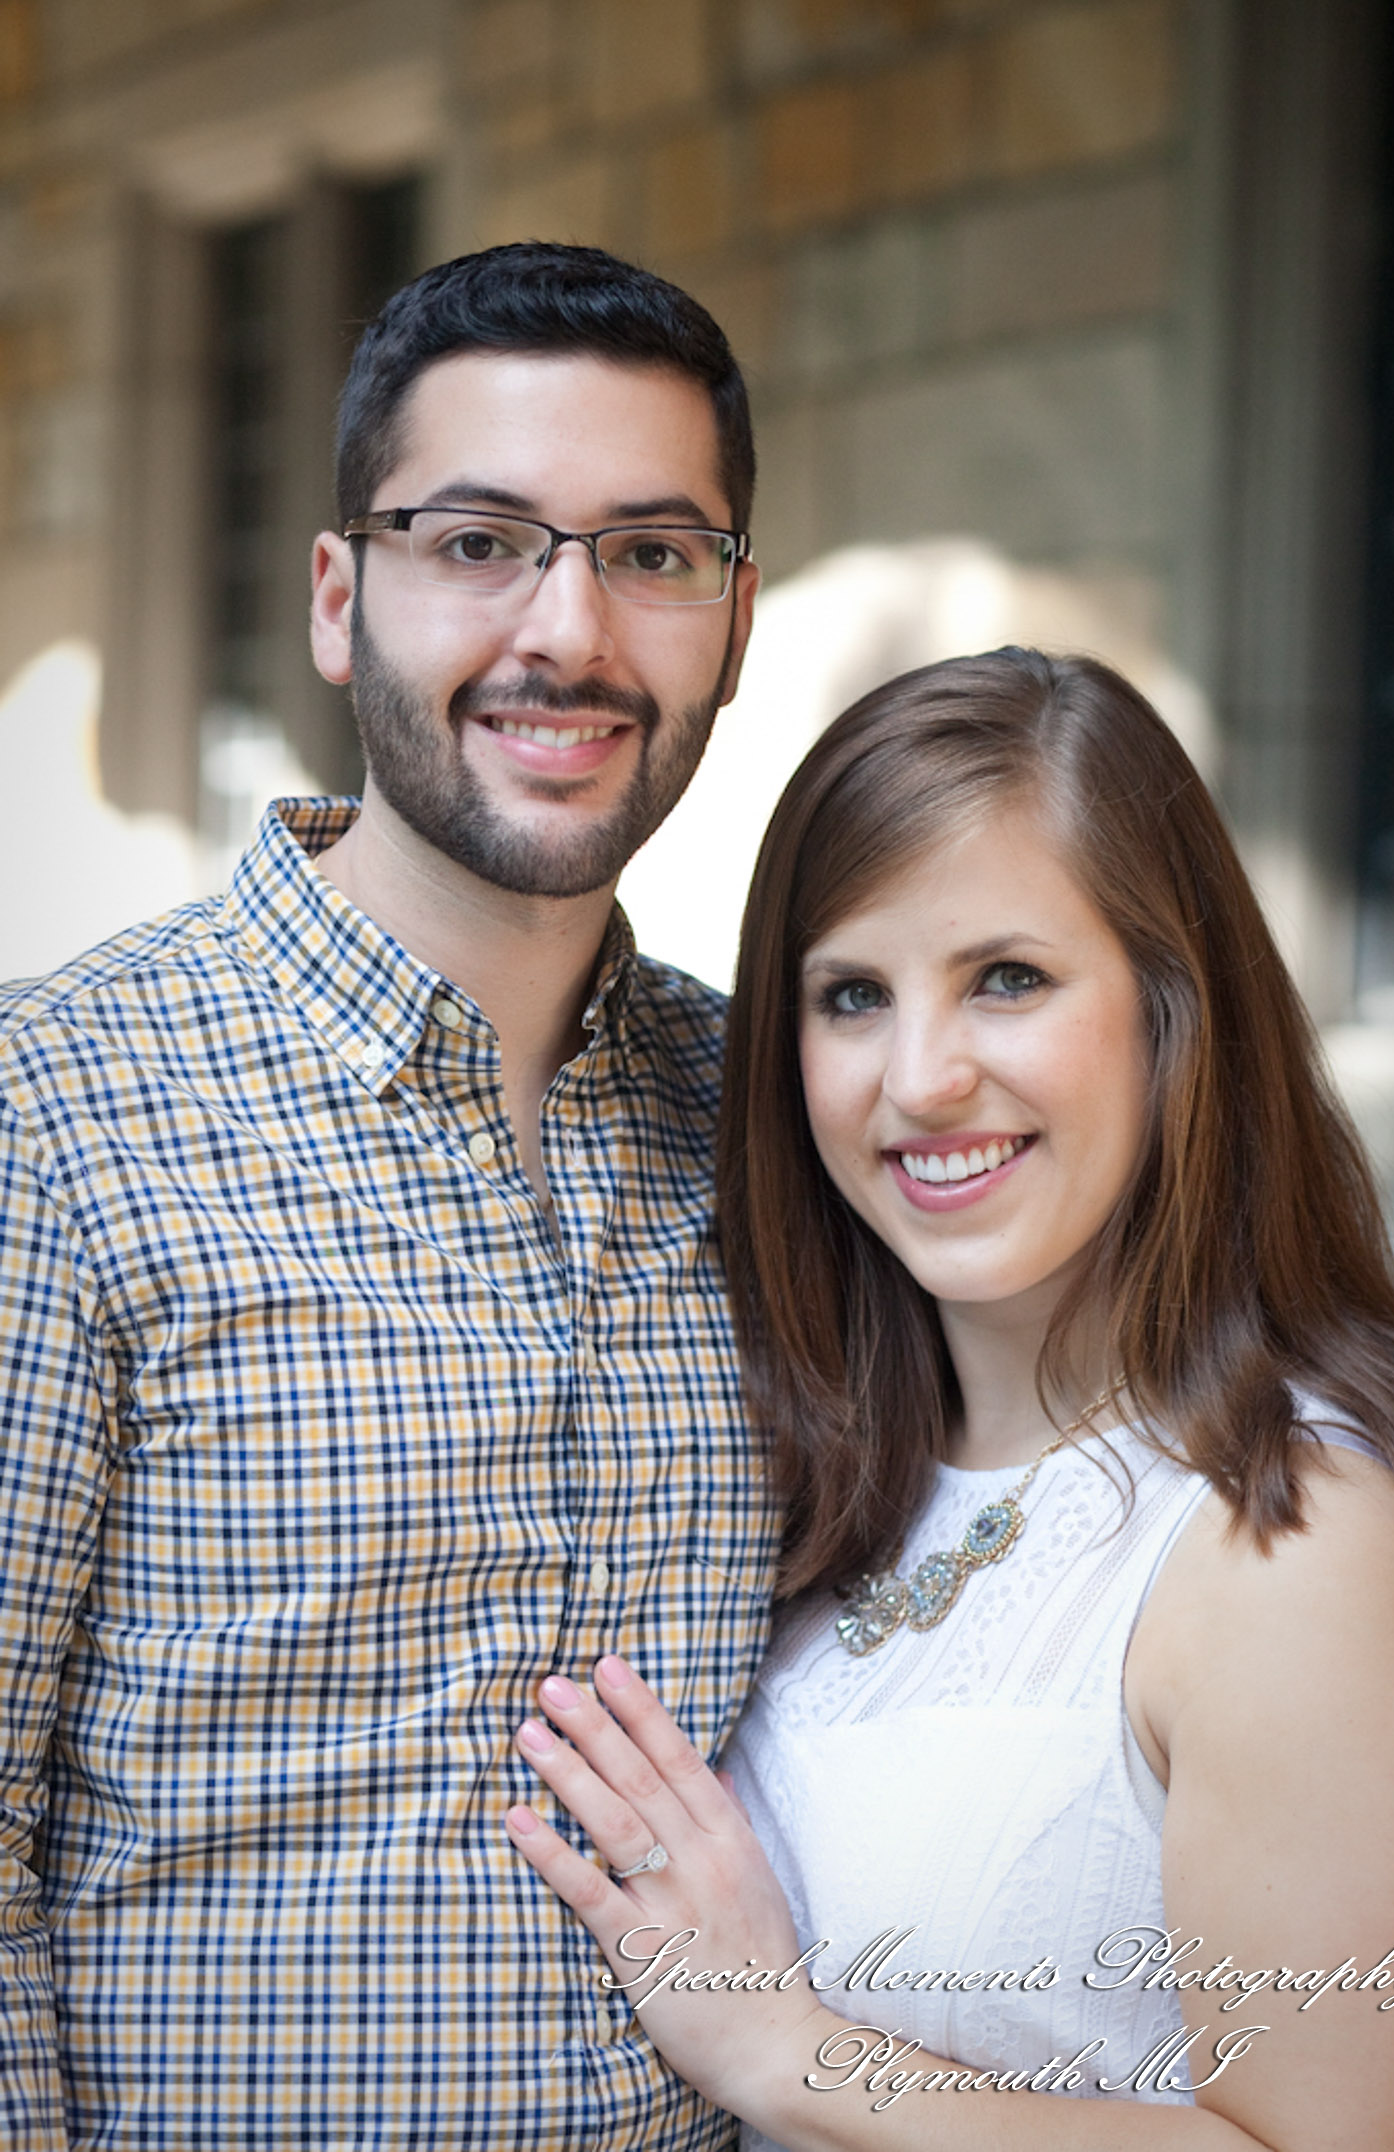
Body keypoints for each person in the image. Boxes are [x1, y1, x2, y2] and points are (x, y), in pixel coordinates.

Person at [505, 649, 1394, 2150]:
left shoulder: (1293, 1549)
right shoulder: (808, 1467)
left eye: (1009, 980)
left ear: (1176, 1011)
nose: (920, 1078)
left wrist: (792, 2057)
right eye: (851, 995)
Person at [0, 243, 779, 2149]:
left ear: (734, 623)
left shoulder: (783, 1120)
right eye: (480, 540)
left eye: (652, 551)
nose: (570, 633)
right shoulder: (53, 1115)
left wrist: (1393, 1484)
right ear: (343, 598)